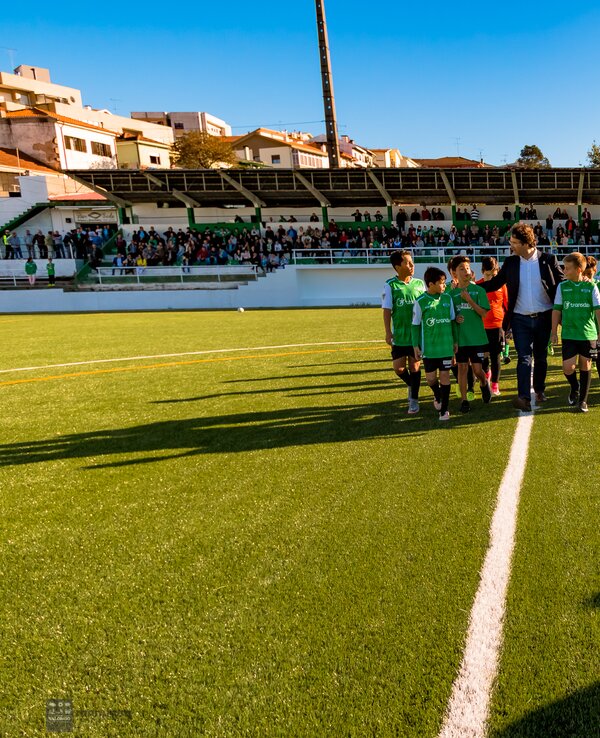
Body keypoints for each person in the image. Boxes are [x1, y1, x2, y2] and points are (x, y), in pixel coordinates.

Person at [482, 223, 564, 411]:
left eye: (515, 242)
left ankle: (540, 389)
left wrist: (581, 280)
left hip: (544, 317)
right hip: (519, 319)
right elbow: (494, 284)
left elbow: (563, 282)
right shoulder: (511, 262)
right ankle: (524, 397)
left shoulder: (549, 260)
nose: (511, 246)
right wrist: (470, 286)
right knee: (524, 358)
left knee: (541, 357)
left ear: (527, 243)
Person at [551, 252, 600, 413]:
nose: (564, 271)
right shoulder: (562, 287)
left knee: (585, 366)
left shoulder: (591, 287)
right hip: (569, 334)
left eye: (567, 268)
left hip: (588, 334)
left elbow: (598, 311)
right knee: (568, 368)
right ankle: (574, 387)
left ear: (579, 269)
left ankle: (582, 401)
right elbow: (556, 311)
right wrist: (554, 332)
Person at [411, 266, 458, 421]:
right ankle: (437, 395)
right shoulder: (420, 302)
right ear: (430, 284)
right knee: (431, 379)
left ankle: (444, 410)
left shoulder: (447, 299)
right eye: (441, 283)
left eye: (445, 282)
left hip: (445, 347)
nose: (444, 286)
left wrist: (455, 342)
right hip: (429, 349)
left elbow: (452, 322)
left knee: (445, 376)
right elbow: (415, 325)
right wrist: (415, 346)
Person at [382, 250, 425, 414]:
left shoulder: (420, 284)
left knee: (415, 367)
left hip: (416, 335)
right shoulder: (390, 285)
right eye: (408, 262)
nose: (412, 265)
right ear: (397, 266)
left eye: (412, 261)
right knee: (398, 368)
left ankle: (413, 400)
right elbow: (387, 310)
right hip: (399, 334)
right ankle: (411, 384)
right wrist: (388, 332)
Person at [449, 256, 492, 412]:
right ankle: (464, 401)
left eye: (467, 268)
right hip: (460, 339)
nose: (466, 271)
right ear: (454, 273)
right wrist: (455, 318)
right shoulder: (451, 294)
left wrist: (469, 300)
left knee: (477, 370)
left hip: (477, 337)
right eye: (461, 268)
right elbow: (449, 316)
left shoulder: (478, 290)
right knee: (462, 368)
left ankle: (483, 383)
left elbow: (483, 313)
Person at [477, 256, 508, 395]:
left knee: (495, 356)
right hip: (481, 327)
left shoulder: (502, 286)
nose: (490, 278)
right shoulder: (477, 286)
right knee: (483, 357)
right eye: (487, 275)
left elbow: (507, 305)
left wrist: (508, 326)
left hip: (497, 326)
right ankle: (487, 374)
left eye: (494, 275)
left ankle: (495, 384)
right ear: (482, 271)